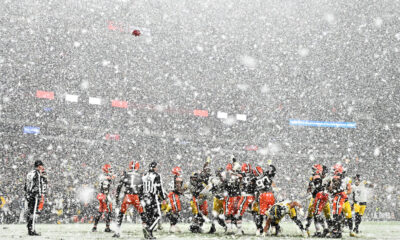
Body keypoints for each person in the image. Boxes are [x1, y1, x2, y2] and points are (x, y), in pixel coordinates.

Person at [113, 161, 146, 238]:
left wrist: (117, 197)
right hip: (136, 196)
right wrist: (141, 198)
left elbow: (119, 186)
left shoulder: (126, 175)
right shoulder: (140, 175)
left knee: (121, 213)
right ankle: (146, 229)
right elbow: (142, 188)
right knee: (142, 213)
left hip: (128, 195)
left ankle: (117, 231)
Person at [328, 163, 355, 238]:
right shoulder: (333, 179)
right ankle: (338, 230)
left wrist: (342, 193)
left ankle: (350, 231)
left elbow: (349, 190)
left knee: (348, 216)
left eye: (334, 170)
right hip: (337, 198)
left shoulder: (347, 179)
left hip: (344, 200)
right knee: (336, 215)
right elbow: (330, 189)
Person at [141, 162, 167, 239]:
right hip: (152, 197)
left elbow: (141, 187)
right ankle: (149, 229)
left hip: (145, 197)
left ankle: (149, 234)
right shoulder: (156, 175)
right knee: (157, 216)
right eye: (156, 167)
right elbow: (160, 187)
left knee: (149, 216)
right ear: (154, 167)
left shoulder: (144, 175)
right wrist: (163, 198)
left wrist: (141, 197)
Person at [189, 157, 212, 233]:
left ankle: (198, 225)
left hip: (201, 199)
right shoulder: (191, 184)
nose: (194, 179)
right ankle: (195, 225)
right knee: (197, 213)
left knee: (204, 212)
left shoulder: (202, 180)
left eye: (195, 178)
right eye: (192, 178)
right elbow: (194, 191)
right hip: (195, 199)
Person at [24, 160, 45, 236]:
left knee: (30, 212)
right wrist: (37, 194)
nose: (42, 167)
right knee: (33, 213)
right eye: (42, 166)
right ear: (39, 166)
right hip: (34, 195)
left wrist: (27, 193)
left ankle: (29, 228)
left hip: (29, 195)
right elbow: (36, 185)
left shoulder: (29, 173)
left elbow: (26, 185)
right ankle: (32, 230)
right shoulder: (37, 173)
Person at [254, 164, 276, 236]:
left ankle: (258, 229)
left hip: (262, 195)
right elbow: (273, 171)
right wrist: (271, 165)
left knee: (261, 214)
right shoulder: (266, 175)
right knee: (271, 213)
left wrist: (256, 199)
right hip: (270, 194)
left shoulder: (255, 179)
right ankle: (272, 228)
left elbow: (256, 190)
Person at [92, 164, 115, 233]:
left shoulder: (102, 176)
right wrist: (107, 197)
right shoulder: (106, 177)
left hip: (100, 195)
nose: (110, 170)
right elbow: (106, 185)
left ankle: (94, 227)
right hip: (105, 195)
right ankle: (107, 228)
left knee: (100, 211)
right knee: (108, 212)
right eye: (109, 169)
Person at [165, 166, 187, 233]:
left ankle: (172, 225)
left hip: (171, 194)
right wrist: (184, 190)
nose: (180, 172)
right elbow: (178, 189)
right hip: (174, 195)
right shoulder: (177, 178)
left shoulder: (173, 177)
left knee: (173, 210)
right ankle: (173, 226)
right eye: (179, 171)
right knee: (176, 211)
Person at [208, 167, 227, 234]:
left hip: (225, 199)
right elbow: (210, 189)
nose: (219, 174)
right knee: (215, 215)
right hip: (218, 198)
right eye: (218, 173)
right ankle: (213, 228)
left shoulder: (226, 179)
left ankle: (230, 227)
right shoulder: (214, 180)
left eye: (220, 172)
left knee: (229, 214)